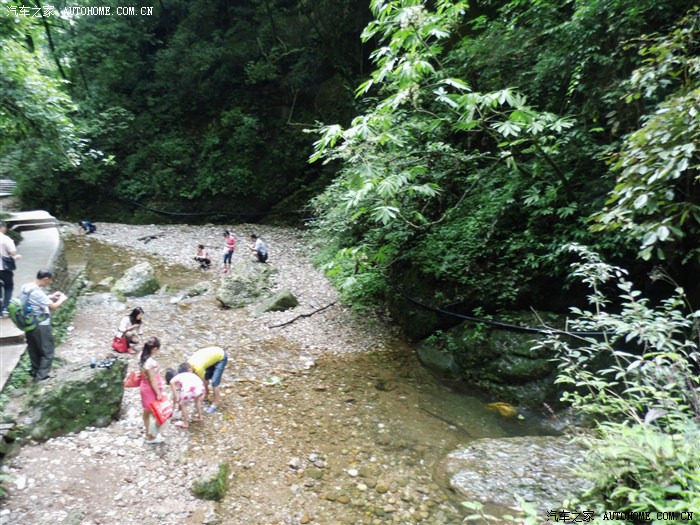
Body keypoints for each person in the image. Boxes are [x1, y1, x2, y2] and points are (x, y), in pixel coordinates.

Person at [19, 269, 68, 381]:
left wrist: (50, 296)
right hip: (41, 325)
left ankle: (35, 372)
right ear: (45, 279)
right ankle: (41, 377)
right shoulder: (38, 292)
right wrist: (62, 299)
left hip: (29, 323)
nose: (50, 282)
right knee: (48, 351)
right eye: (49, 280)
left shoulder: (25, 287)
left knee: (34, 349)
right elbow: (53, 307)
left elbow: (33, 299)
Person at [139, 336, 166, 444]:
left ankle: (147, 432)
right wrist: (158, 393)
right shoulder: (151, 363)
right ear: (154, 349)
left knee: (146, 411)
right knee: (155, 414)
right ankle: (151, 437)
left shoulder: (141, 356)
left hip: (143, 386)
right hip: (150, 390)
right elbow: (153, 380)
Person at [187, 346, 228, 414]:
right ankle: (206, 395)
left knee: (214, 382)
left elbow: (203, 383)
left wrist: (201, 395)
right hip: (212, 356)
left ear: (189, 370)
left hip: (221, 357)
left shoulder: (198, 368)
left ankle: (215, 403)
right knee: (206, 377)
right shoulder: (188, 364)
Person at [165, 362, 205, 429]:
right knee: (197, 400)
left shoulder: (172, 381)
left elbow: (176, 397)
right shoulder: (183, 375)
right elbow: (182, 393)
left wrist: (174, 406)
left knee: (183, 404)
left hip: (191, 389)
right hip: (200, 385)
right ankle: (200, 417)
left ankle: (185, 423)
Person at [0, 221, 20, 315]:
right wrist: (15, 257)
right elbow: (13, 252)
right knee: (9, 286)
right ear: (3, 228)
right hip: (4, 268)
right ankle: (6, 307)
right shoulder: (5, 239)